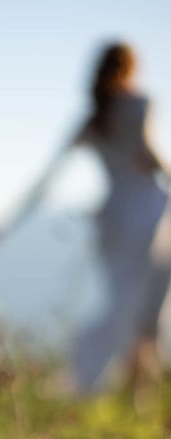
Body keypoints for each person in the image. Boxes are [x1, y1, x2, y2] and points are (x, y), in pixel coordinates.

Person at [11, 42, 170, 392]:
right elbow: (149, 153)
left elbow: (47, 177)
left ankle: (126, 387)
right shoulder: (139, 106)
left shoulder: (94, 119)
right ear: (130, 69)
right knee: (144, 305)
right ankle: (132, 388)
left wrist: (9, 222)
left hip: (113, 217)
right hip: (147, 214)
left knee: (124, 300)